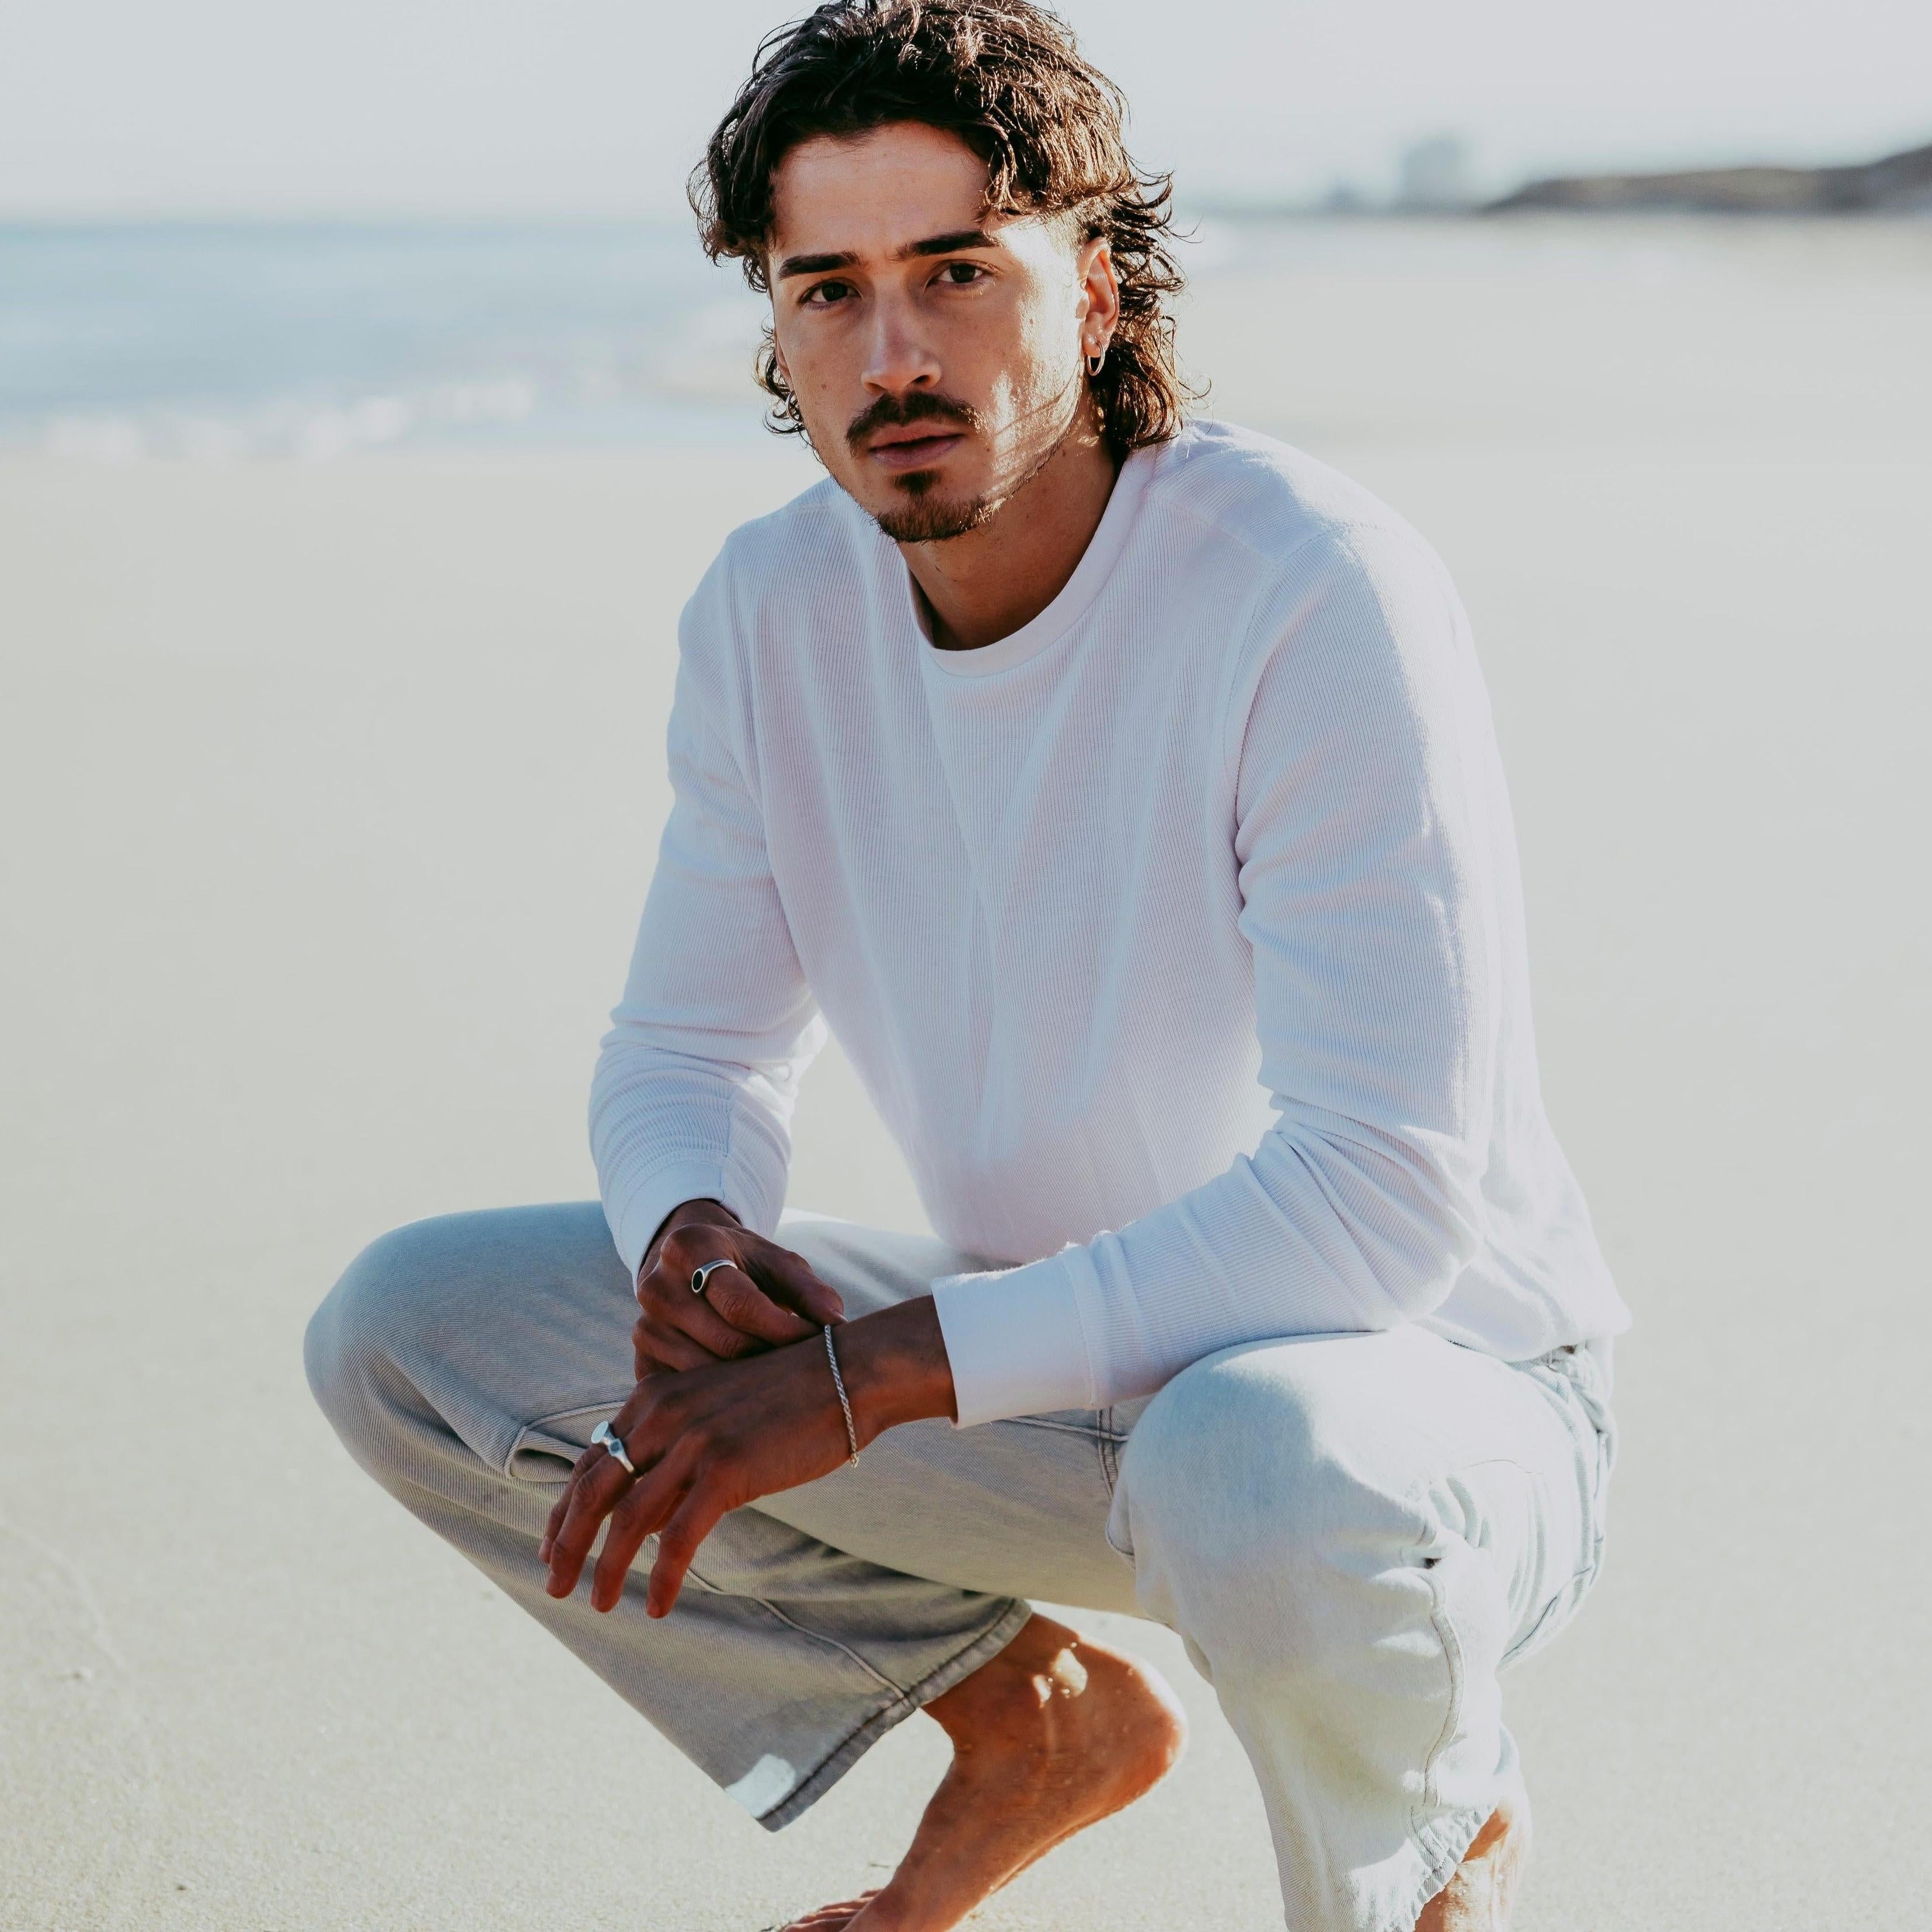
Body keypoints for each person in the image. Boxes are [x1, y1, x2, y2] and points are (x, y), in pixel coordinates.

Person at [305, 4, 1629, 1927]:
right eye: (826, 289)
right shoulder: (770, 613)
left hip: (1424, 1420)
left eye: (954, 273)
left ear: (1096, 294)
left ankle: (1423, 1842)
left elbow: (1378, 1207)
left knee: (1247, 1451)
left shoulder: (1309, 588)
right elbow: (687, 1046)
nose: (893, 352)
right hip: (1045, 1366)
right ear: (773, 329)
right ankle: (1036, 1718)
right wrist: (688, 1236)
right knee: (417, 1330)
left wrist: (864, 1385)